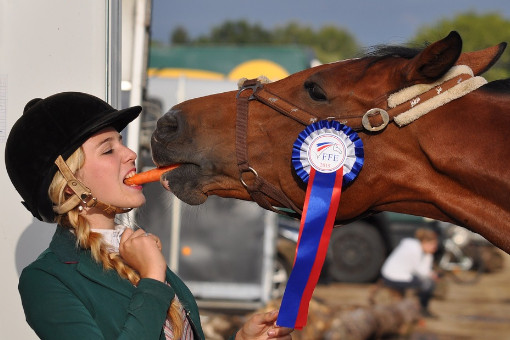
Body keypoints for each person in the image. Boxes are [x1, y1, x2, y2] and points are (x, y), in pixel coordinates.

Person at [5, 92, 293, 340]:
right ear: (70, 187)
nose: (130, 153)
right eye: (108, 150)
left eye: (121, 142)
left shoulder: (132, 246)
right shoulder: (46, 279)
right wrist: (153, 279)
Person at [380, 228, 439, 318]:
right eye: (432, 244)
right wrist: (432, 274)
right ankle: (422, 309)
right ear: (424, 242)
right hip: (392, 276)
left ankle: (416, 308)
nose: (434, 248)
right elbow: (421, 272)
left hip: (397, 275)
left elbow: (423, 270)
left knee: (426, 282)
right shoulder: (413, 250)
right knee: (427, 284)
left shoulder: (421, 250)